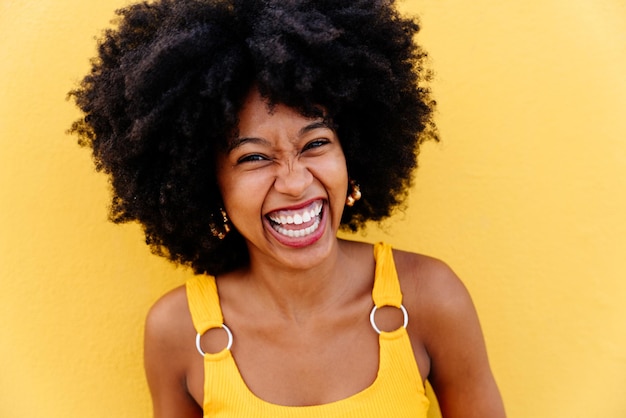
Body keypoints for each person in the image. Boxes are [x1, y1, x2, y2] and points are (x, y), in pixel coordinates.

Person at [69, 0, 506, 416]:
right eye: (254, 157)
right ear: (205, 184)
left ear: (351, 155)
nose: (296, 183)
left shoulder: (430, 297)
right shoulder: (178, 330)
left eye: (316, 143)